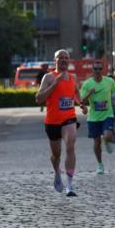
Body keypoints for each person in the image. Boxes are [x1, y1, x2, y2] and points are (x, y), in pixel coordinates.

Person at [36, 49, 83, 196]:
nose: (63, 60)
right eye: (60, 58)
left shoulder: (73, 77)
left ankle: (70, 185)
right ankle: (57, 172)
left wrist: (80, 103)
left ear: (69, 61)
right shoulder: (49, 77)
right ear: (55, 61)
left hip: (69, 118)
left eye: (66, 58)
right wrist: (54, 84)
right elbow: (38, 98)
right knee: (56, 154)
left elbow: (76, 92)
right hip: (52, 121)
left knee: (70, 146)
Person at [80, 61, 115, 174]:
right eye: (95, 69)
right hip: (93, 117)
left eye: (99, 69)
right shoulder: (87, 84)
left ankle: (107, 140)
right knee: (96, 144)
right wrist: (89, 93)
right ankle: (100, 164)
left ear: (102, 70)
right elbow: (81, 101)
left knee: (107, 135)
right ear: (92, 70)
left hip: (107, 114)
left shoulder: (109, 81)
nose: (97, 71)